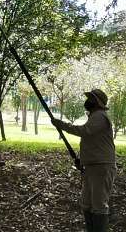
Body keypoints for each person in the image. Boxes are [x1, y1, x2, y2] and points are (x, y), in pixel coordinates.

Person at [51, 88, 115, 232]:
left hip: (102, 167)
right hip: (93, 166)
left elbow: (84, 131)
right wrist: (82, 160)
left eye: (91, 99)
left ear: (97, 103)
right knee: (87, 204)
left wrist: (62, 125)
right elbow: (92, 142)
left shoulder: (100, 116)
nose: (88, 101)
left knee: (98, 205)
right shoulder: (95, 116)